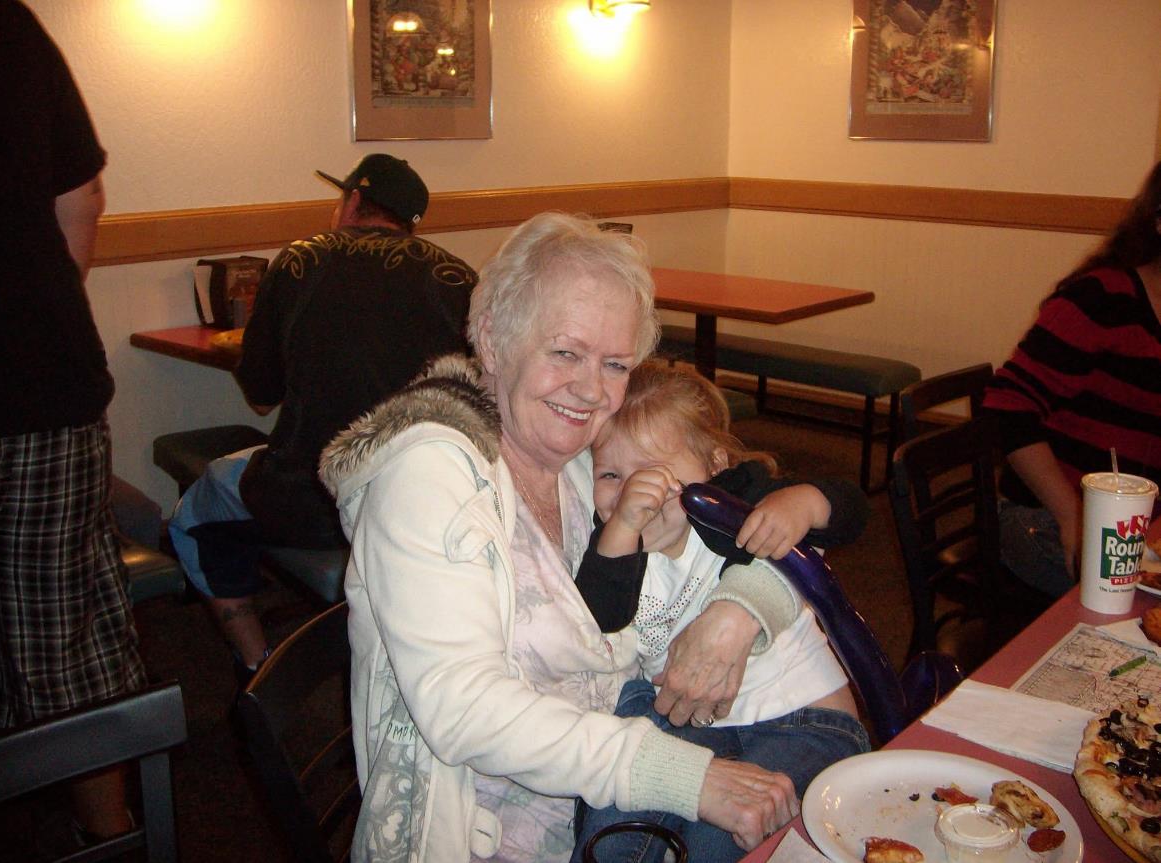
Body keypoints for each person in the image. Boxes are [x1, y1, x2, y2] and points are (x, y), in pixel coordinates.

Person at [319, 213, 804, 862]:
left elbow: (760, 529)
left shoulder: (587, 461)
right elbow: (463, 709)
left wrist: (739, 611)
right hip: (481, 836)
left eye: (615, 364)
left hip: (616, 810)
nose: (591, 390)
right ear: (492, 337)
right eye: (565, 353)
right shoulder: (428, 473)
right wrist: (684, 776)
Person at [169, 154, 476, 683]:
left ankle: (260, 667)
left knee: (195, 511)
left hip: (312, 499)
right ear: (411, 222)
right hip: (424, 500)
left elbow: (262, 397)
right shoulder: (457, 277)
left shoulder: (299, 261)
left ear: (353, 200)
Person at [570, 360, 870, 861]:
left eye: (652, 471)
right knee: (611, 819)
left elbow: (850, 508)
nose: (633, 493)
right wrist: (621, 528)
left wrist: (804, 503)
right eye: (610, 474)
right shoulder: (615, 548)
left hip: (802, 720)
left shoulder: (732, 505)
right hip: (685, 722)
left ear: (713, 464)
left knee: (717, 843)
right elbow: (598, 614)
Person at [0, 0, 145, 843]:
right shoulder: (8, 25)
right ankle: (115, 836)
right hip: (42, 389)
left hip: (42, 384)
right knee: (66, 640)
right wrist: (38, 307)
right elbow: (80, 193)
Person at [983, 159, 1161, 598]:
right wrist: (1074, 517)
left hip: (1142, 526)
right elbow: (1007, 407)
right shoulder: (1103, 297)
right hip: (1045, 515)